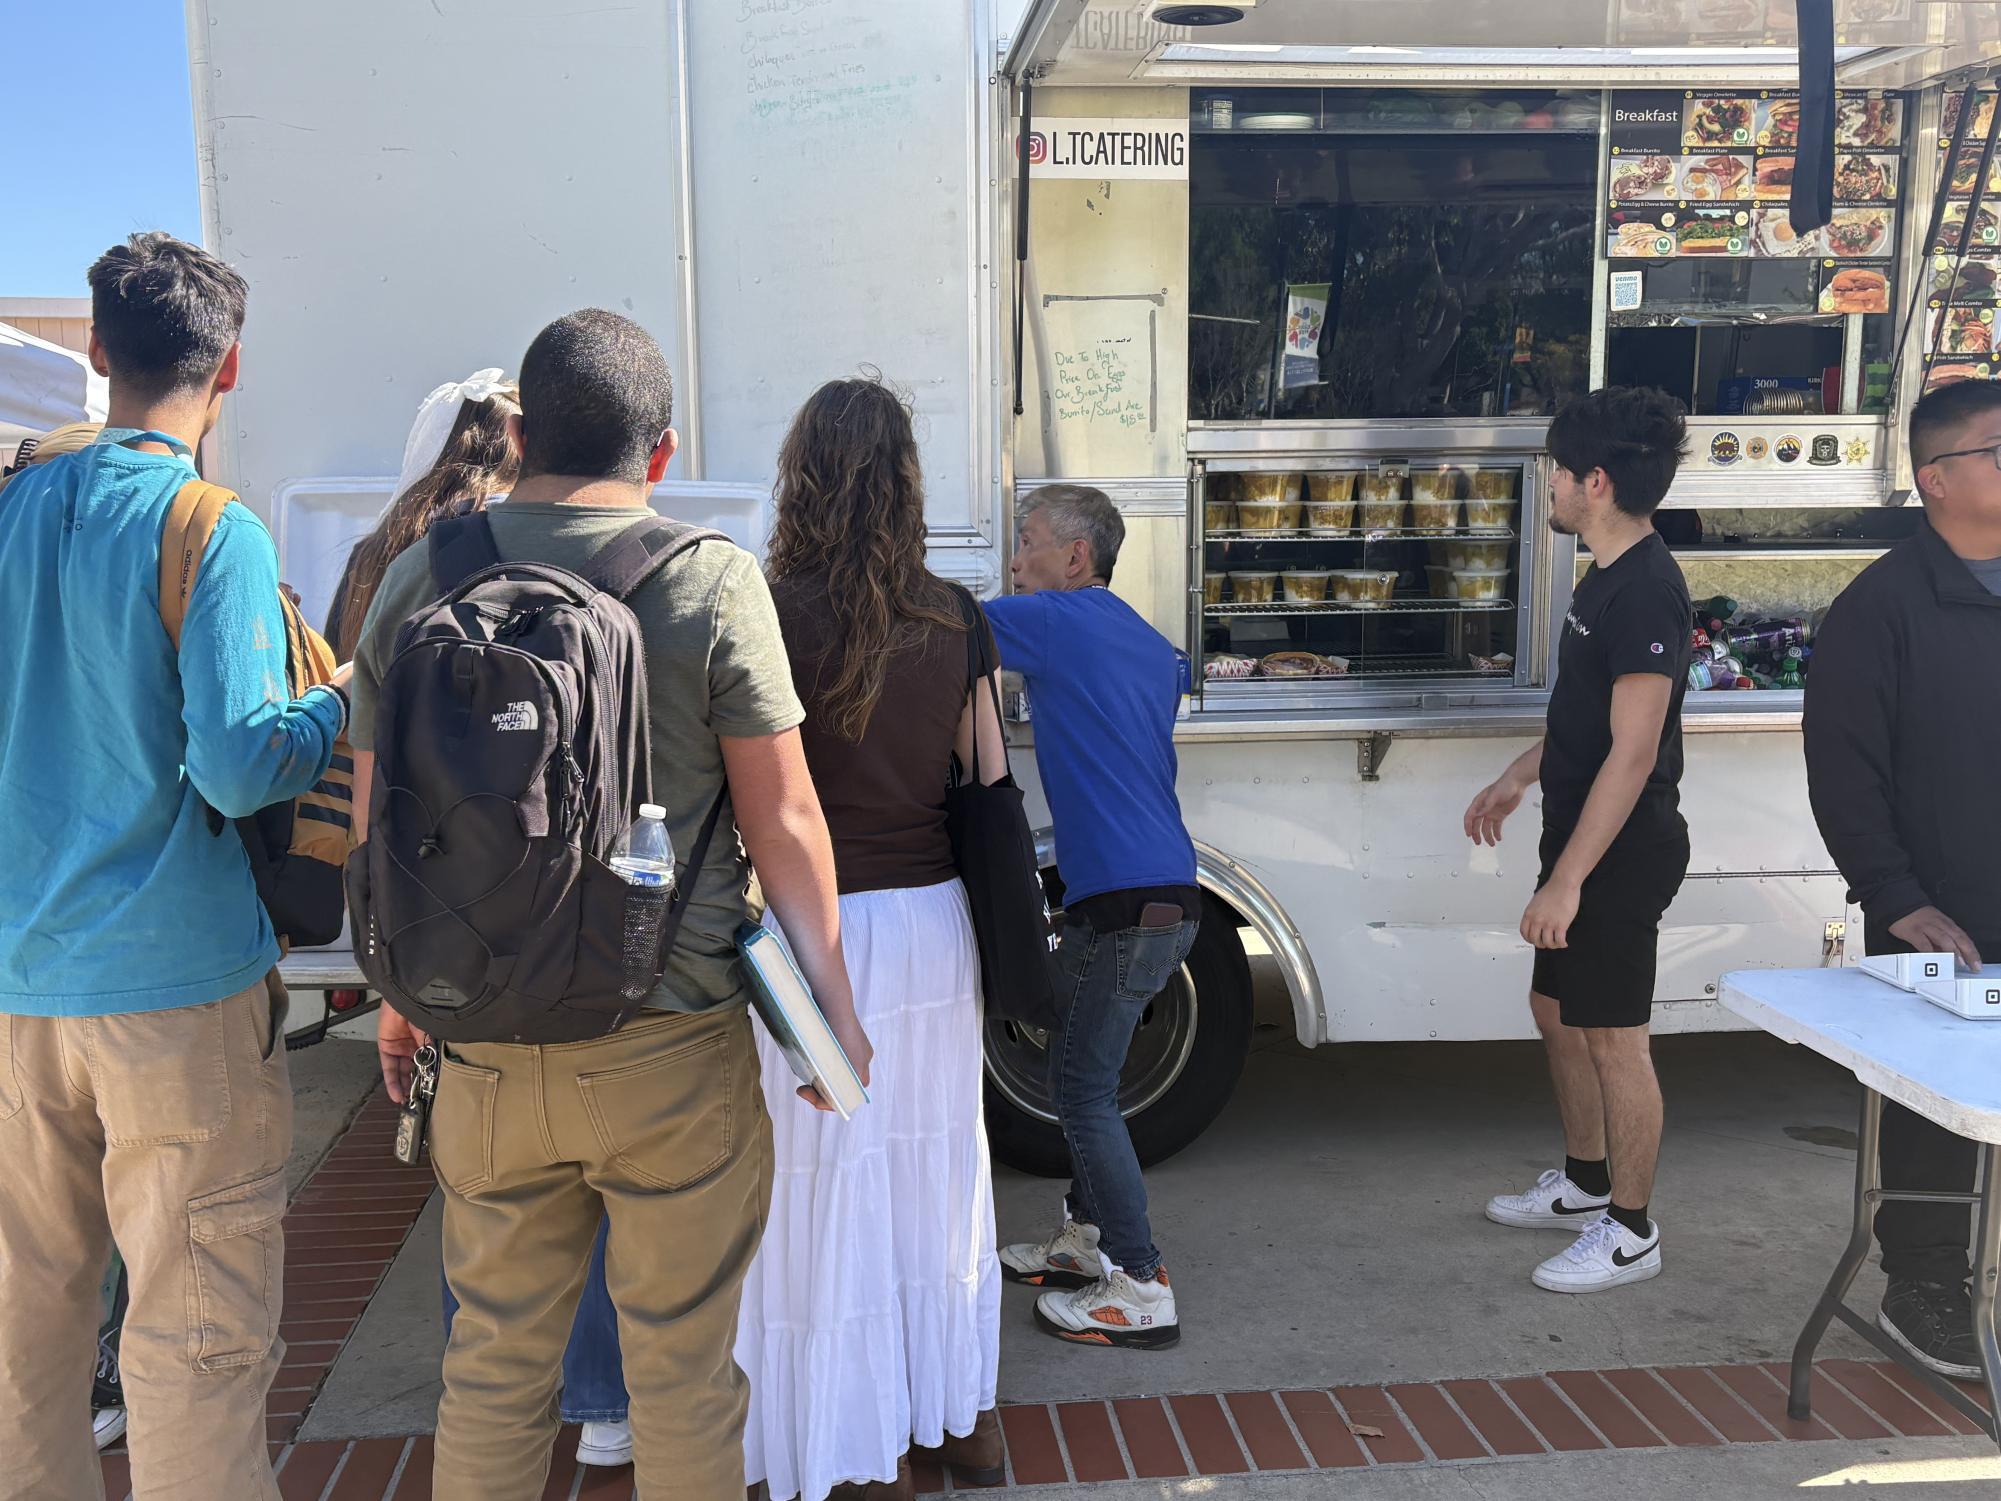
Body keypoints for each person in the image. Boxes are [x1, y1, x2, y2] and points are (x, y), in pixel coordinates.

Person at [352, 309, 869, 1501]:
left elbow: (384, 827)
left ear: (523, 430)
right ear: (664, 451)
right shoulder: (711, 581)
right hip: (668, 1045)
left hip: (480, 1038)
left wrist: (401, 1003)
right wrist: (831, 1009)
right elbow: (787, 821)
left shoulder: (422, 575)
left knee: (489, 1373)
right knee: (681, 1377)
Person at [0, 232, 350, 1501]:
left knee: (27, 1329)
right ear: (232, 367)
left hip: (21, 982)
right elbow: (247, 765)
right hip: (177, 985)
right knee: (194, 1330)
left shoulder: (11, 500)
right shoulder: (211, 525)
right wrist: (339, 704)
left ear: (96, 351)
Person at [323, 370, 637, 1466]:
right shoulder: (542, 550)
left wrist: (390, 972)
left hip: (436, 922)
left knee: (482, 1189)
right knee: (590, 1172)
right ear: (516, 441)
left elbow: (363, 765)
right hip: (563, 913)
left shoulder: (390, 560)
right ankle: (600, 1399)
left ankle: (491, 1401)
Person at [739, 376, 1005, 1500]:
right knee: (936, 1169)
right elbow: (987, 784)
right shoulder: (956, 613)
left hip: (809, 938)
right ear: (905, 481)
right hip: (935, 927)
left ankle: (840, 1442)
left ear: (801, 475)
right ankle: (957, 1420)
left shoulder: (757, 606)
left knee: (814, 1176)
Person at [1467, 386, 1691, 1295]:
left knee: (1613, 1038)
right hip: (1578, 836)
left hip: (1620, 852)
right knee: (1557, 1014)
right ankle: (1585, 1184)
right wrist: (1519, 775)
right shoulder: (1602, 574)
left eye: (1559, 473)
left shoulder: (1645, 592)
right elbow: (1585, 723)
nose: (1550, 487)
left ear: (1594, 482)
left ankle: (1631, 1231)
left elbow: (1633, 756)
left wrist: (1566, 881)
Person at [1804, 377, 2001, 1379]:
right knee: (1937, 1112)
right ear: (1935, 478)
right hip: (1943, 915)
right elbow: (1843, 770)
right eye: (2000, 449)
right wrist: (1897, 894)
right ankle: (1923, 1283)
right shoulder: (1879, 610)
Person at [988, 484, 1200, 1350]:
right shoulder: (1146, 641)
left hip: (1122, 902)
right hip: (1154, 891)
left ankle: (1141, 1281)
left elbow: (934, 626)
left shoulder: (1055, 620)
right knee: (1079, 1076)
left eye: (1027, 540)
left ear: (1075, 557)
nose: (1014, 558)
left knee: (1080, 1091)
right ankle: (1079, 1242)